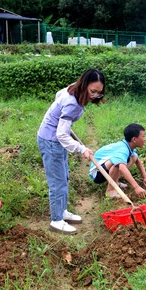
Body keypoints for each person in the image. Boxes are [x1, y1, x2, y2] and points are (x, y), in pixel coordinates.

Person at [37, 69, 106, 235]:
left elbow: (57, 95)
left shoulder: (72, 89)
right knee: (57, 182)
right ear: (84, 85)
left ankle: (62, 212)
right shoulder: (72, 104)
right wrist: (81, 148)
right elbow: (61, 134)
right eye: (93, 91)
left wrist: (62, 124)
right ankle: (56, 220)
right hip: (50, 141)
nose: (95, 96)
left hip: (55, 140)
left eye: (99, 93)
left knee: (64, 177)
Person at [89, 123, 146, 198]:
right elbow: (122, 168)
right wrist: (136, 187)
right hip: (97, 173)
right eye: (143, 136)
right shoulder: (123, 149)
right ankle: (110, 191)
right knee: (118, 164)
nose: (145, 139)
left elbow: (137, 160)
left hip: (104, 168)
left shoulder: (127, 146)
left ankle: (115, 182)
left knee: (134, 156)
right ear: (134, 139)